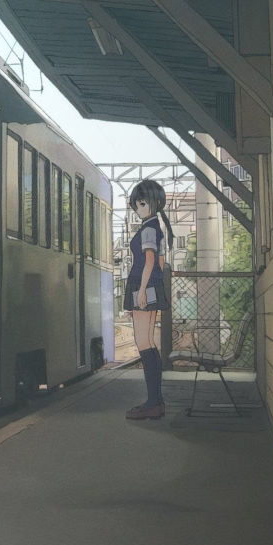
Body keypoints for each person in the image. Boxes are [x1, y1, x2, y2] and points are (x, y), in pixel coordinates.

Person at [123, 178, 174, 420]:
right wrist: (153, 287)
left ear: (153, 203)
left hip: (141, 285)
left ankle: (152, 402)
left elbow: (151, 260)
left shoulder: (149, 229)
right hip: (149, 285)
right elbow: (160, 264)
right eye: (137, 205)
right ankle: (157, 401)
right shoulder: (156, 228)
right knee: (149, 342)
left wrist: (142, 290)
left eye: (142, 204)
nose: (138, 209)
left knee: (142, 341)